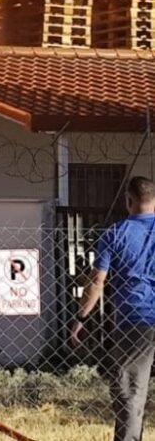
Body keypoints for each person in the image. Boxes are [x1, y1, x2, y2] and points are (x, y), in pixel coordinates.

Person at [71, 175, 155, 441]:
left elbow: (97, 281)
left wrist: (81, 317)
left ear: (129, 200)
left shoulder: (114, 233)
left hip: (135, 318)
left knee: (130, 392)